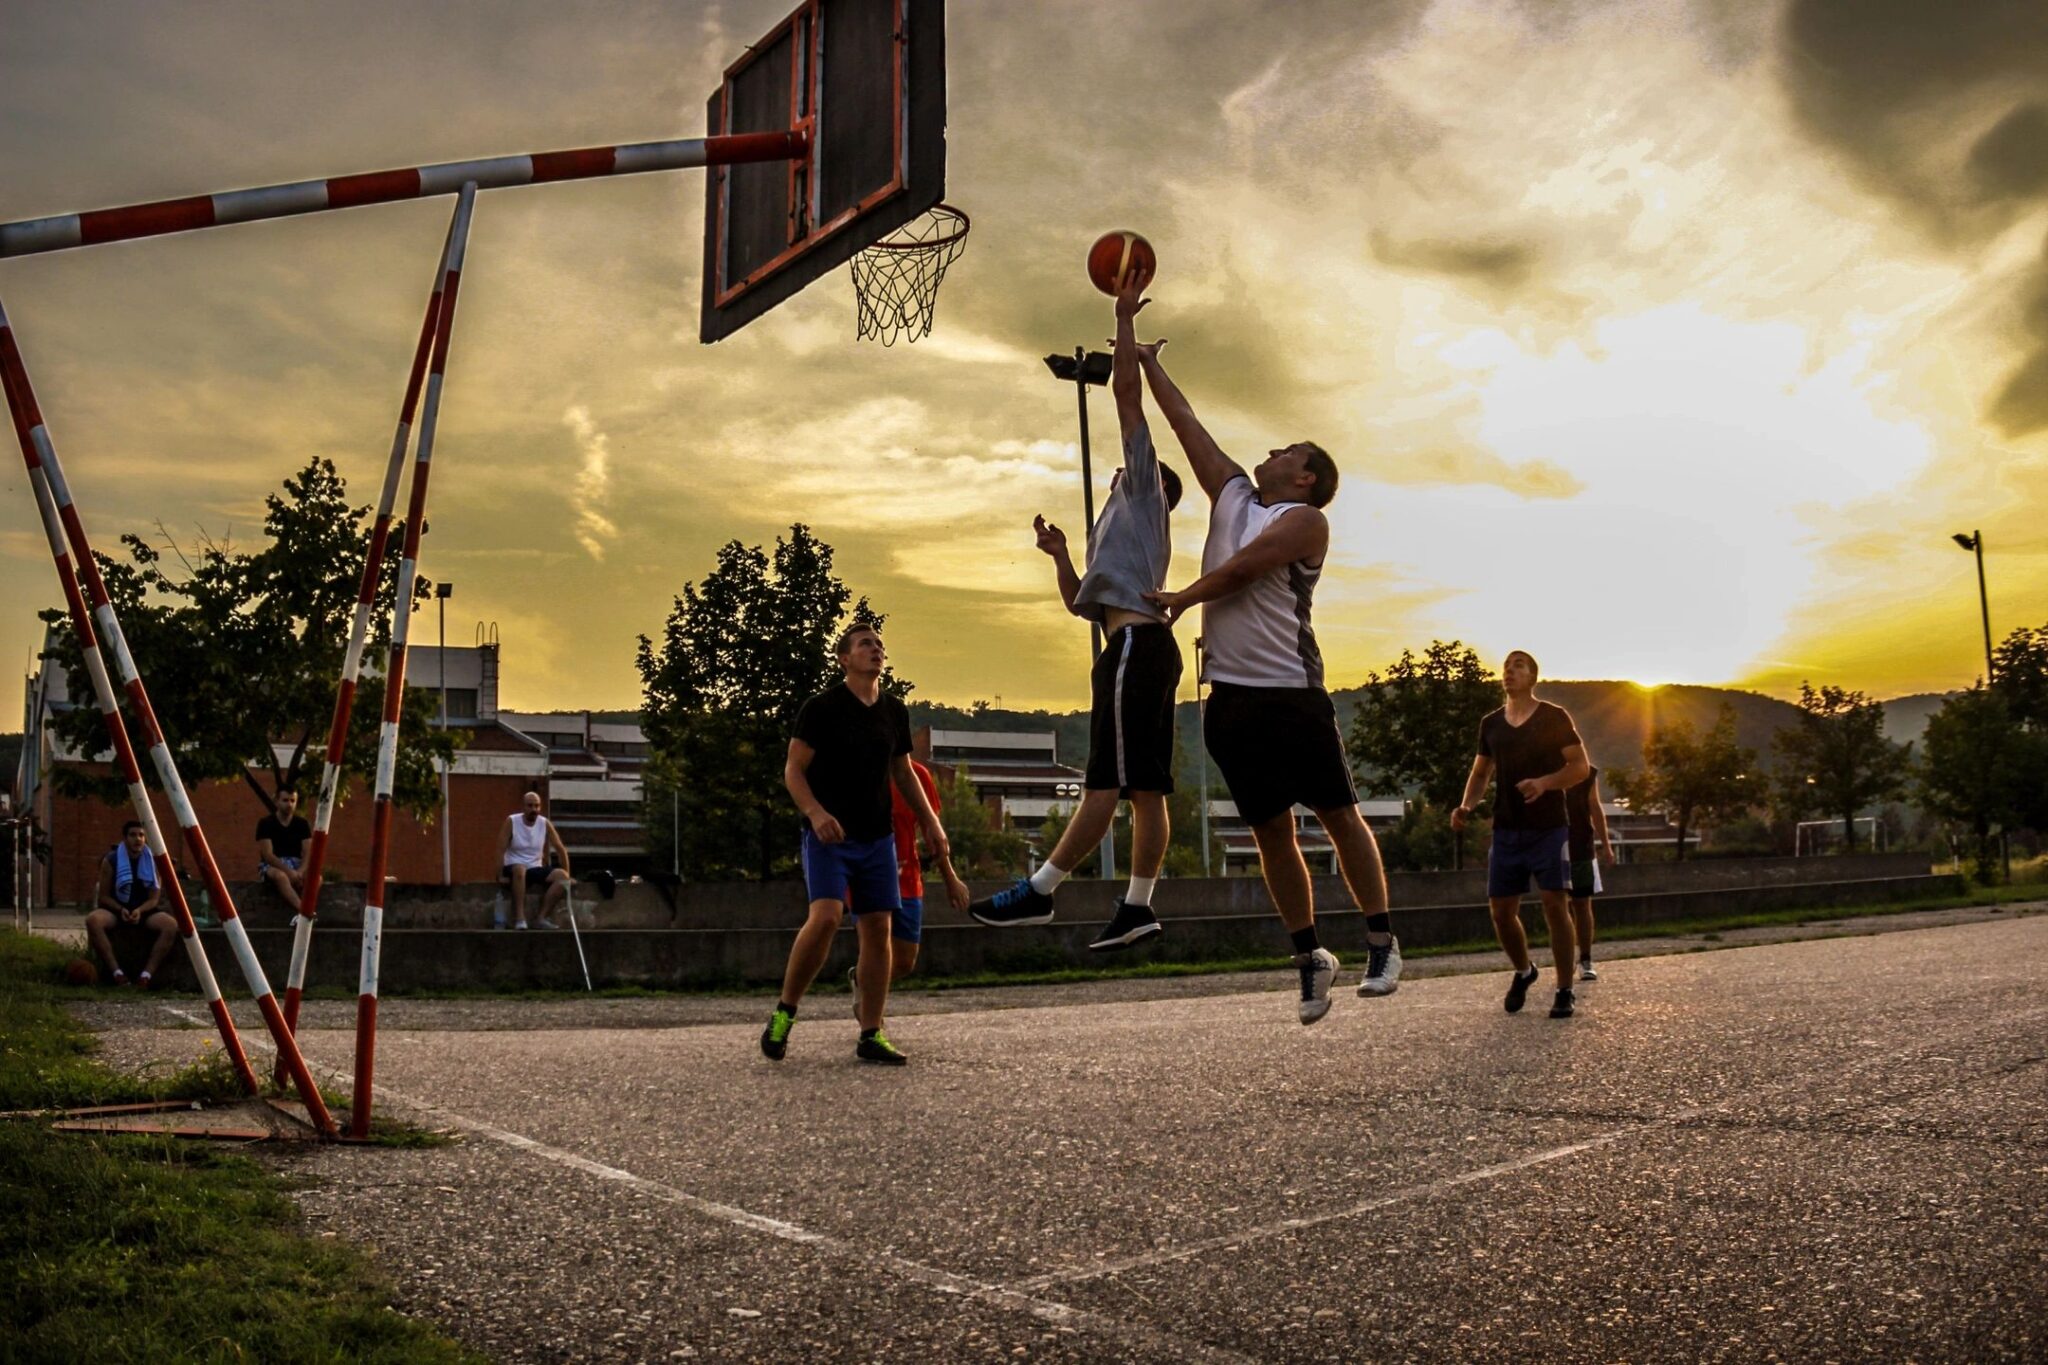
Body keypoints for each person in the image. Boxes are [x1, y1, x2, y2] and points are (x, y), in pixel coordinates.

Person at [1136, 322, 1397, 1024]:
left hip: (1292, 696)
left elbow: (1248, 568)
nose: (1271, 450)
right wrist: (1144, 360)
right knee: (1270, 832)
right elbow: (1184, 421)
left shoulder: (1305, 521)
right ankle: (1310, 955)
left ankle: (1380, 940)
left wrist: (1184, 597)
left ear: (1305, 476)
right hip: (1232, 702)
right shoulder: (1231, 495)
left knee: (1339, 815)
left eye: (1286, 450)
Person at [969, 279, 1186, 951]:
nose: (1121, 468)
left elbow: (1126, 396)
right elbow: (1077, 604)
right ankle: (1138, 906)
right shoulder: (1108, 535)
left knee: (1105, 782)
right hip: (1130, 648)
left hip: (1135, 651)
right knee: (1146, 790)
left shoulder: (1146, 491)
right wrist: (1061, 555)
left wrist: (1121, 319)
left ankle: (1039, 891)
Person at [762, 625, 953, 1066]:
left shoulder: (892, 711)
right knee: (827, 916)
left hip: (876, 838)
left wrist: (932, 824)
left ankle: (871, 1032)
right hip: (830, 835)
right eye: (865, 643)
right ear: (844, 658)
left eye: (880, 644)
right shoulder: (822, 708)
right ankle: (785, 1012)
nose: (876, 648)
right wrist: (815, 813)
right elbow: (793, 771)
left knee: (877, 930)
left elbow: (904, 773)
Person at [1451, 651, 1592, 1018]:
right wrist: (1466, 805)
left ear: (1532, 677)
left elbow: (1578, 767)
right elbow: (1481, 773)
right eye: (1506, 667)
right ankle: (1524, 971)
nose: (1509, 671)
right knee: (1501, 913)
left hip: (1549, 828)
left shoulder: (1554, 717)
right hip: (1507, 829)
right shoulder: (1491, 724)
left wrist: (1545, 783)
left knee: (1554, 903)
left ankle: (1564, 989)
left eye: (1518, 666)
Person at [848, 758, 971, 1014]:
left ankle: (862, 979)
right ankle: (872, 1024)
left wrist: (950, 878)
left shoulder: (917, 776)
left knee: (904, 961)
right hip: (866, 876)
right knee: (874, 942)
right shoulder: (859, 771)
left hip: (907, 877)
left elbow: (931, 831)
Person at [85, 819, 177, 988]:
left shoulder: (153, 861)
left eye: (141, 835)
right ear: (125, 838)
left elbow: (154, 899)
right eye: (133, 835)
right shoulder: (111, 860)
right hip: (116, 909)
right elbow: (103, 897)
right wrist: (121, 909)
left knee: (170, 925)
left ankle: (146, 975)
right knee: (93, 920)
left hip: (144, 910)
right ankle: (117, 973)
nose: (138, 839)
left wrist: (139, 911)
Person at [1565, 766, 1616, 981]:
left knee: (1582, 903)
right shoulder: (1542, 766)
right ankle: (1564, 961)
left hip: (1581, 847)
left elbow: (1595, 807)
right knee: (1556, 904)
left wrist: (1606, 844)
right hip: (1551, 847)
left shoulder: (1587, 772)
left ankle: (1585, 959)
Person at [499, 791, 572, 929]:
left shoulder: (544, 823)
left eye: (537, 806)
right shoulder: (512, 821)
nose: (534, 809)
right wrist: (499, 874)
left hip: (535, 867)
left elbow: (560, 848)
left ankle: (541, 918)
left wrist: (567, 874)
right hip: (514, 866)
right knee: (520, 869)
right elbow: (500, 848)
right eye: (530, 805)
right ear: (523, 807)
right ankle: (520, 919)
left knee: (562, 877)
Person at [256, 788, 312, 912]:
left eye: (293, 801)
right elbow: (268, 855)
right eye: (285, 800)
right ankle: (304, 911)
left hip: (296, 863)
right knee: (281, 877)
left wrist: (300, 871)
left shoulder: (302, 824)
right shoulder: (265, 823)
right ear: (277, 801)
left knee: (316, 878)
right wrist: (289, 872)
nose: (289, 804)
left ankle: (307, 904)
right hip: (273, 865)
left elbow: (308, 851)